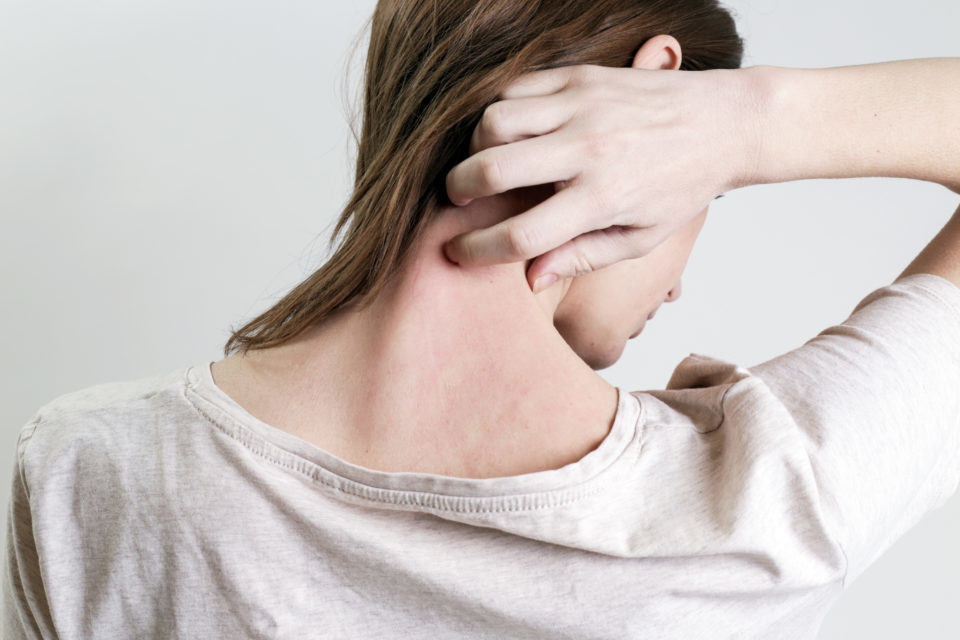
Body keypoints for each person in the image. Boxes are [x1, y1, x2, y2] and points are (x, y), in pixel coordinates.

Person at [4, 1, 959, 639]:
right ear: (651, 88)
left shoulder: (88, 471)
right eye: (711, 194)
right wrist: (746, 124)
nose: (675, 290)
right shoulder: (773, 503)